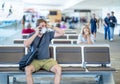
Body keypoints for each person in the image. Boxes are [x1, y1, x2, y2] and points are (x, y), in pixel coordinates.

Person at [24, 19, 65, 84]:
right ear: (38, 27)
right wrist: (36, 33)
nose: (44, 27)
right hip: (35, 60)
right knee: (27, 69)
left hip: (47, 60)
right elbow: (26, 44)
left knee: (58, 69)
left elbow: (62, 33)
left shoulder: (48, 34)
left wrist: (51, 26)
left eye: (45, 26)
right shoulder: (31, 35)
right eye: (42, 26)